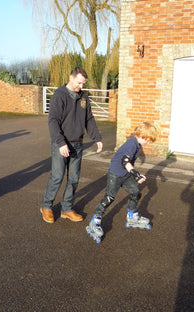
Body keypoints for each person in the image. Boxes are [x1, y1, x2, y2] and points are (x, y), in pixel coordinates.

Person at [40, 67, 103, 223]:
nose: (80, 87)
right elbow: (53, 121)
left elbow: (89, 119)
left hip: (77, 144)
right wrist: (61, 143)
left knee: (74, 178)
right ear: (71, 78)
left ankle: (67, 209)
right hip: (61, 143)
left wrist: (97, 138)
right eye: (79, 83)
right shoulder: (59, 96)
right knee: (57, 176)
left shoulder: (84, 98)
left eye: (83, 84)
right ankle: (46, 206)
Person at [86, 122, 157, 243]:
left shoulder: (138, 144)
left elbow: (129, 161)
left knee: (135, 192)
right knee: (109, 198)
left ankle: (132, 215)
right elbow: (125, 161)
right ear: (142, 136)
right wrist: (136, 175)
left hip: (125, 174)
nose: (149, 142)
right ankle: (95, 221)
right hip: (115, 174)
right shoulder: (132, 144)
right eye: (148, 140)